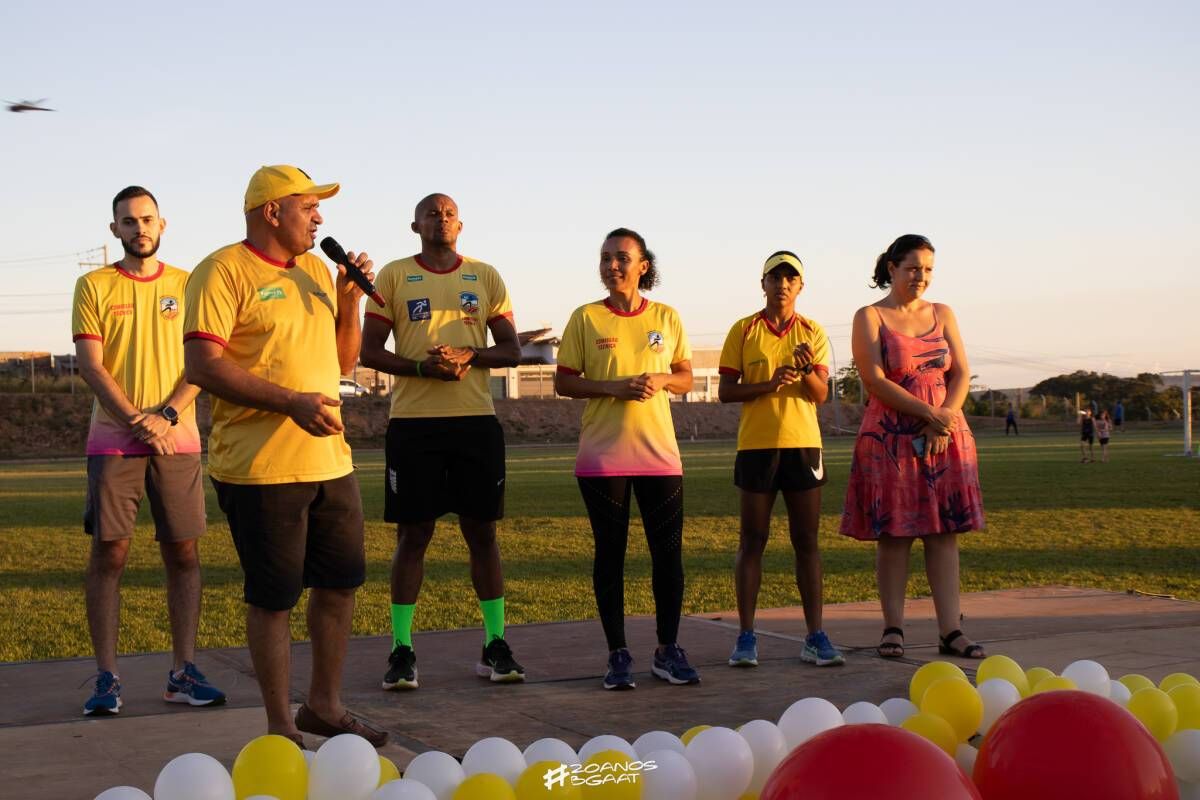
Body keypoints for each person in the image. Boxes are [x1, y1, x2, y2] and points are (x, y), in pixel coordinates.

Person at [183, 165, 386, 748]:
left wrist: (349, 303)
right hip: (260, 467)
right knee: (274, 598)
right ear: (271, 211)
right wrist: (289, 403)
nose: (320, 217)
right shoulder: (222, 271)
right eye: (309, 206)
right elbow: (202, 366)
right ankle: (279, 728)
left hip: (331, 459)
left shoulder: (320, 270)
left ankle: (324, 705)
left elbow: (342, 365)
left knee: (340, 585)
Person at [359, 193, 524, 691]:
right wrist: (420, 367)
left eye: (449, 213)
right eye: (432, 213)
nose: (441, 219)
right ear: (415, 225)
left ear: (461, 224)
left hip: (476, 421)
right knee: (414, 537)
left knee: (483, 536)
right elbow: (369, 351)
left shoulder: (485, 275)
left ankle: (495, 644)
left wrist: (469, 355)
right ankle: (402, 649)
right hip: (414, 425)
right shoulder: (392, 276)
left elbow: (513, 350)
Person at [72, 186, 225, 716]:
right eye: (128, 221)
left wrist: (165, 416)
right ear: (114, 229)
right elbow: (92, 366)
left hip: (176, 438)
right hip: (114, 443)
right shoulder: (93, 284)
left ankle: (182, 673)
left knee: (183, 552)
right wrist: (137, 420)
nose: (139, 228)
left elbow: (202, 362)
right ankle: (107, 679)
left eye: (147, 219)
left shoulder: (188, 285)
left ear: (163, 225)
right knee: (110, 553)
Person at [554, 228, 697, 689]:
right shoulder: (586, 318)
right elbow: (564, 381)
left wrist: (661, 379)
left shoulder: (667, 317)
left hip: (660, 456)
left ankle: (667, 649)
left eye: (621, 258)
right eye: (605, 258)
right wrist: (614, 387)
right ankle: (617, 653)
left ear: (643, 266)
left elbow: (686, 376)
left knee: (667, 556)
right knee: (610, 555)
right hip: (603, 458)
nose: (612, 266)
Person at [840, 234, 987, 660]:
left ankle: (951, 631)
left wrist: (945, 417)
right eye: (912, 269)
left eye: (927, 270)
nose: (921, 277)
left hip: (945, 435)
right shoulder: (869, 316)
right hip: (891, 439)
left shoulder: (943, 313)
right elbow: (875, 380)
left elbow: (961, 372)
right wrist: (930, 414)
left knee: (944, 534)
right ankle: (893, 628)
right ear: (892, 267)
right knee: (896, 535)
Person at [718, 251, 844, 668]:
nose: (783, 284)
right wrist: (768, 383)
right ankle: (746, 637)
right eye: (775, 277)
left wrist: (807, 370)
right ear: (763, 283)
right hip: (756, 446)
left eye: (791, 278)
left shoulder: (813, 332)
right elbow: (725, 392)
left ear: (801, 287)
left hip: (803, 445)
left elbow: (821, 394)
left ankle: (815, 636)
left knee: (806, 541)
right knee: (752, 540)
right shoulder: (744, 329)